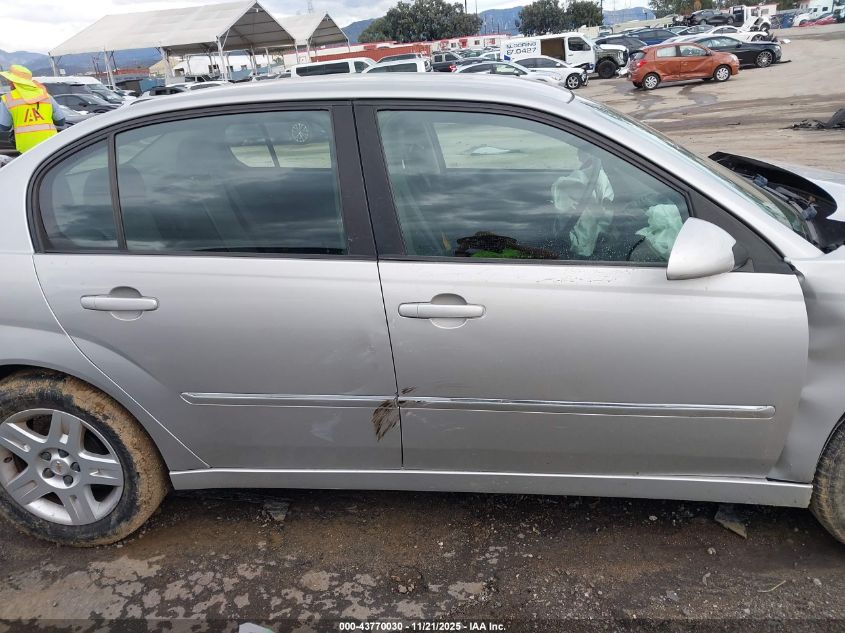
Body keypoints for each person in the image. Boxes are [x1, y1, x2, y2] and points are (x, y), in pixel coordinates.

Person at [0, 65, 65, 153]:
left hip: (26, 149)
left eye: (9, 80)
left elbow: (4, 127)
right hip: (50, 145)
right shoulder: (46, 96)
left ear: (14, 82)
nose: (8, 82)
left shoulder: (7, 99)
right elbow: (60, 121)